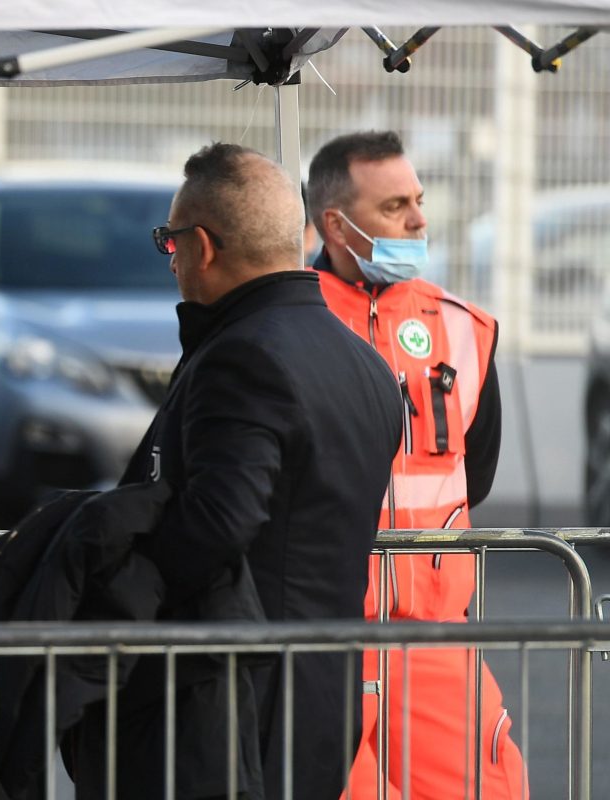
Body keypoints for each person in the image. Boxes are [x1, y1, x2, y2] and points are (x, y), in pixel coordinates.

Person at [120, 143, 402, 798]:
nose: (171, 258)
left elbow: (219, 523)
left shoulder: (242, 356)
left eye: (169, 240)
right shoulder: (363, 361)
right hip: (326, 695)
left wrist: (121, 569)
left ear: (203, 247)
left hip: (234, 708)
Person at [307, 130, 525, 798]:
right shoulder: (289, 323)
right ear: (334, 224)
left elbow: (473, 475)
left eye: (419, 200)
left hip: (431, 641)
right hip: (318, 639)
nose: (419, 220)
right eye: (395, 206)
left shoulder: (465, 328)